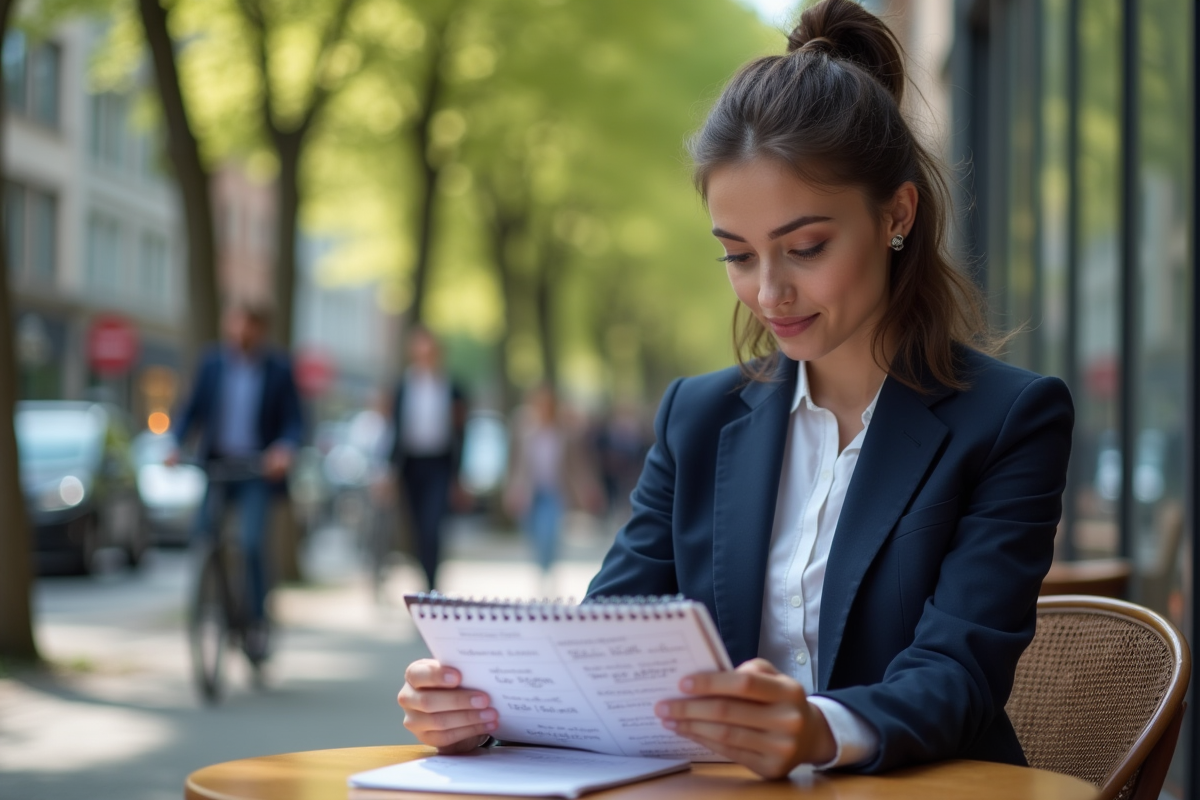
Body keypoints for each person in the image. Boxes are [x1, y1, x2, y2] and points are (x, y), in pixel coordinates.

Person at [396, 0, 1073, 780]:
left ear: (898, 214)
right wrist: (481, 709)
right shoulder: (698, 417)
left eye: (806, 247)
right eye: (738, 256)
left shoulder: (1009, 419)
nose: (770, 291)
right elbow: (605, 641)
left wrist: (821, 729)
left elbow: (959, 675)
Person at [168, 301, 304, 662]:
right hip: (217, 465)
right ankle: (214, 604)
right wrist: (174, 444)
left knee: (251, 542)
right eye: (236, 325)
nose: (241, 333)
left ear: (261, 330)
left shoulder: (278, 368)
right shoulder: (212, 364)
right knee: (203, 534)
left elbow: (294, 420)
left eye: (249, 327)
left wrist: (284, 449)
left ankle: (256, 621)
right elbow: (191, 410)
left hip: (257, 470)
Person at [389, 325, 467, 592]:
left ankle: (431, 586)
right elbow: (395, 431)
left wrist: (460, 475)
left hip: (439, 465)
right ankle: (424, 577)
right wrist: (389, 470)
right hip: (410, 465)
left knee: (432, 526)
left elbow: (461, 431)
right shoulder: (403, 386)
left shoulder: (452, 387)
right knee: (415, 529)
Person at [504, 384, 600, 595]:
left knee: (550, 534)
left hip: (554, 493)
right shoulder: (523, 430)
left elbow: (578, 464)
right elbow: (514, 464)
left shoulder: (565, 433)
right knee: (536, 536)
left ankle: (548, 575)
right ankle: (541, 570)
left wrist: (588, 488)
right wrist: (512, 491)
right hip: (531, 494)